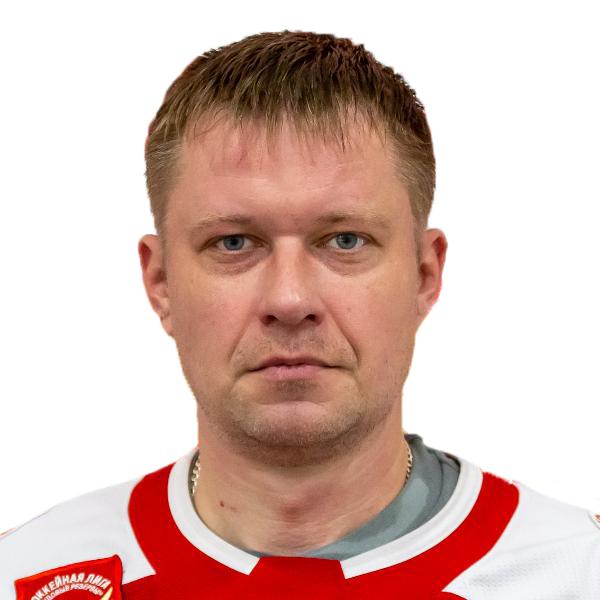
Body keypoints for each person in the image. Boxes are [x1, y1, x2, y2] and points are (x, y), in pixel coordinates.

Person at [1, 30, 598, 599]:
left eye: (345, 241)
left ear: (424, 275)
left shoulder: (577, 570)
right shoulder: (25, 571)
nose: (289, 300)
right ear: (160, 283)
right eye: (234, 243)